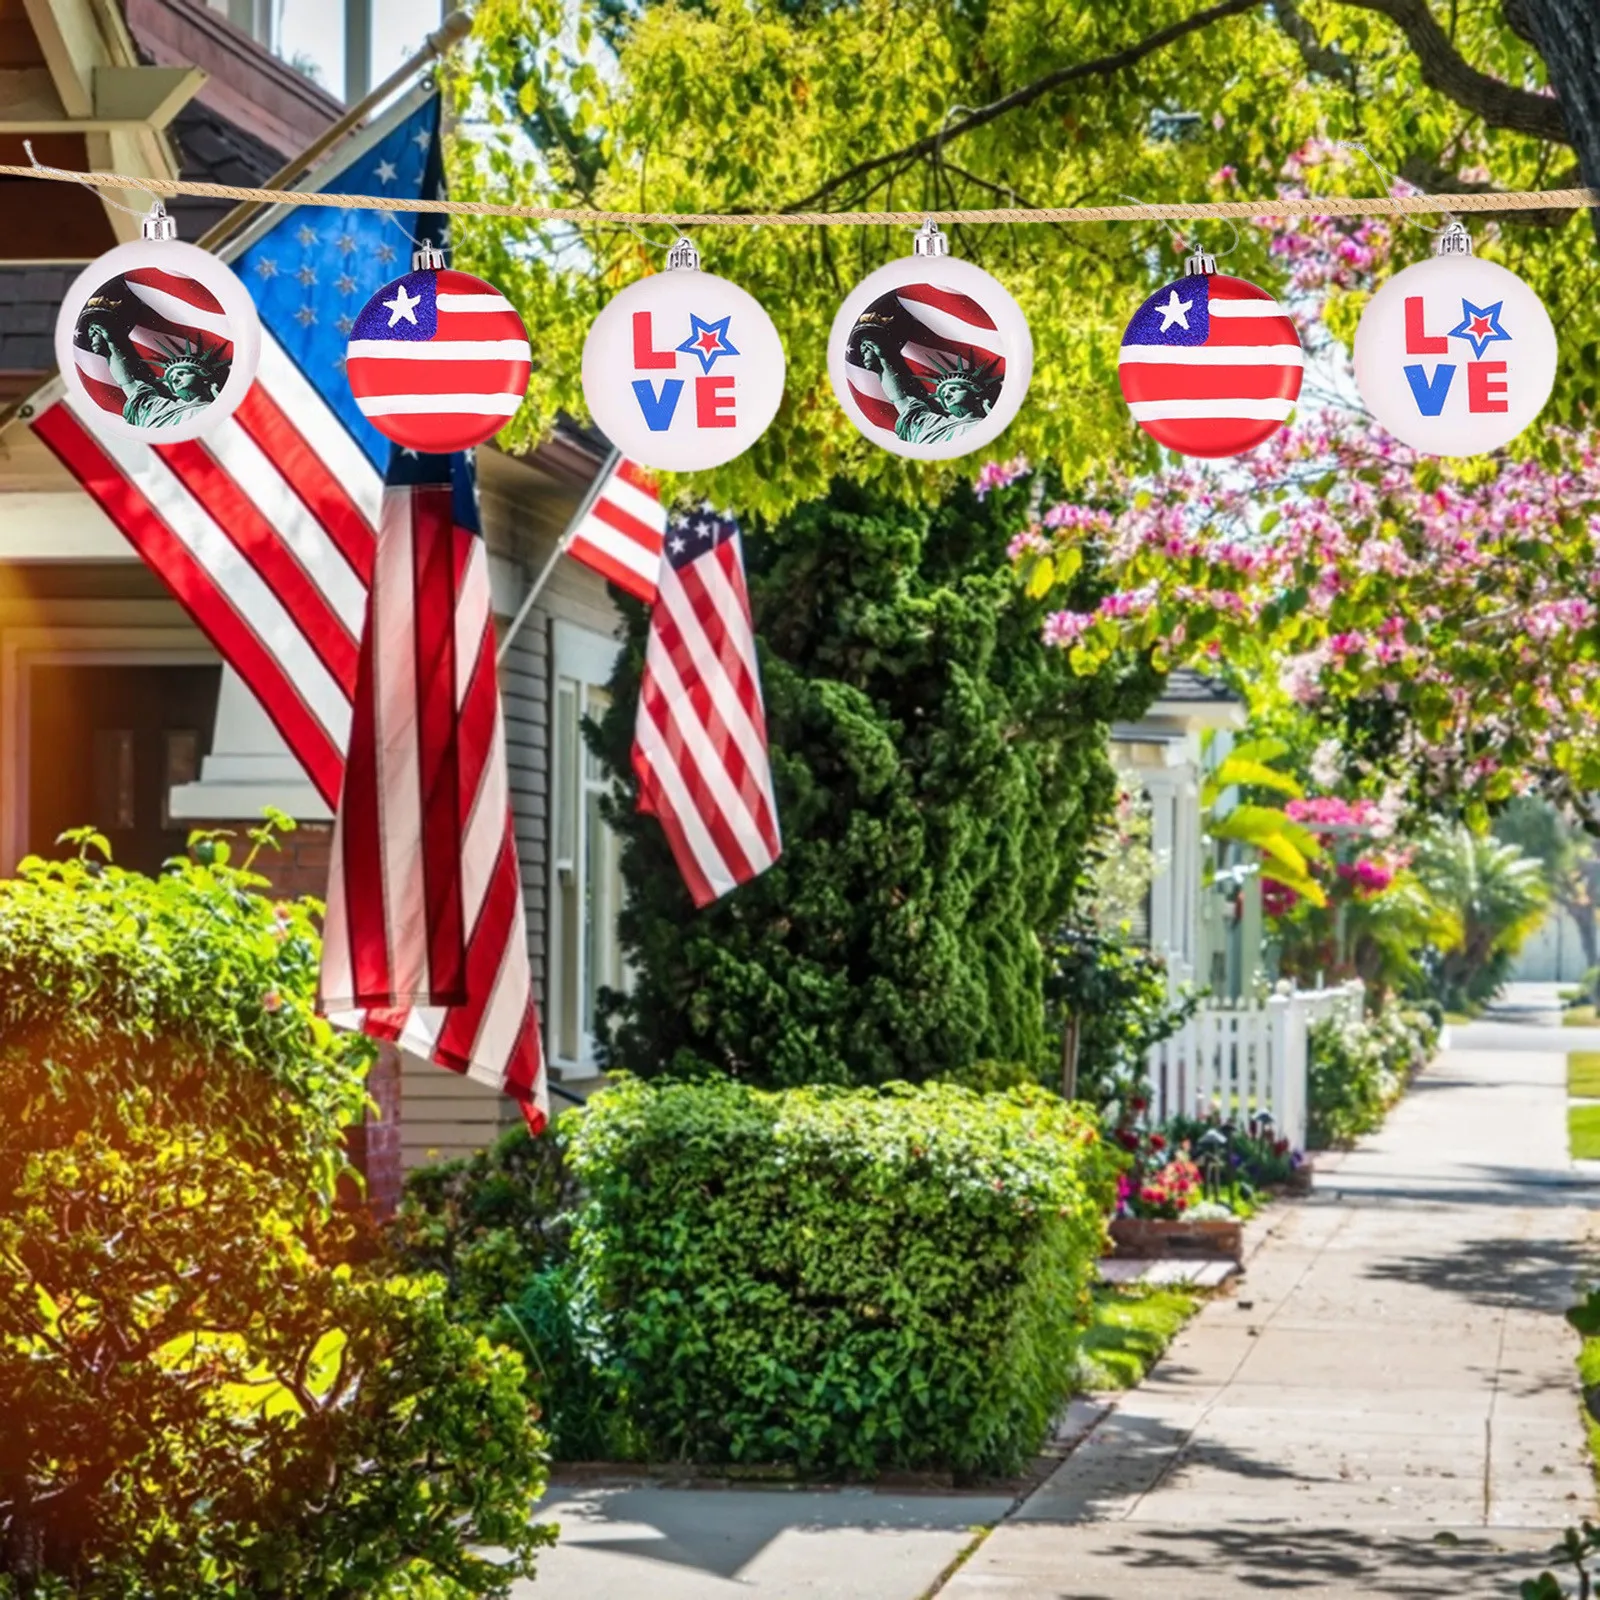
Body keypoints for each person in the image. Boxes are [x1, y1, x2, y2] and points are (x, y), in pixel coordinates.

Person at [79, 297, 228, 430]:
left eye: (182, 373)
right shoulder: (158, 409)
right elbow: (127, 382)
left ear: (204, 377)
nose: (175, 379)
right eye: (171, 379)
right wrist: (111, 345)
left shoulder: (219, 413)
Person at [852, 317, 1002, 446]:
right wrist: (883, 360)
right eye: (944, 394)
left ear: (976, 395)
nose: (948, 395)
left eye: (955, 389)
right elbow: (900, 398)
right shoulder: (930, 424)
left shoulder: (989, 428)